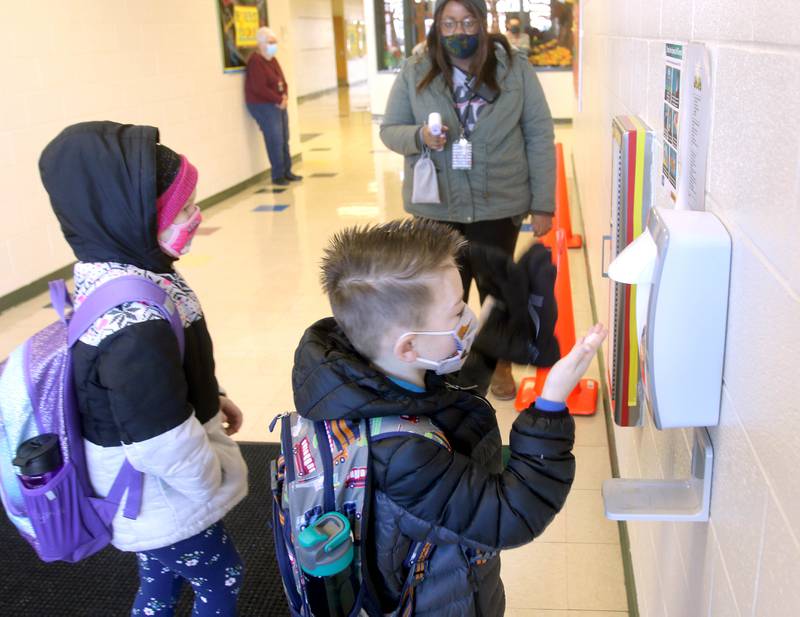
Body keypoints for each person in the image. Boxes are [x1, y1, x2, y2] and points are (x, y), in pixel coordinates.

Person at [293, 218, 607, 617]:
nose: (467, 318)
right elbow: (512, 513)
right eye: (458, 310)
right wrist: (551, 404)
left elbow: (440, 399)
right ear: (408, 346)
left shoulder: (369, 375)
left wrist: (493, 337)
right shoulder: (403, 456)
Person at [39, 122, 249, 617]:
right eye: (183, 208)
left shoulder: (122, 270)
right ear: (126, 215)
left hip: (142, 492)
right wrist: (208, 481)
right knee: (222, 576)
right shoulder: (134, 326)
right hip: (164, 495)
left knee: (160, 582)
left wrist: (209, 395)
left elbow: (166, 372)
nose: (195, 217)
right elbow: (159, 440)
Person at [380, 0, 556, 402]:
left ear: (483, 21)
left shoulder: (516, 69)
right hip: (437, 207)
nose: (459, 31)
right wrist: (418, 137)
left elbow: (539, 136)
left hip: (500, 202)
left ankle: (500, 360)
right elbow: (389, 130)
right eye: (449, 23)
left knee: (497, 288)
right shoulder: (416, 70)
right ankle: (447, 364)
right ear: (437, 27)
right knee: (443, 291)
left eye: (468, 21)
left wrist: (543, 204)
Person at [245, 26, 302, 186]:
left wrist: (285, 96)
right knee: (275, 140)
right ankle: (278, 175)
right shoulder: (256, 61)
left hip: (279, 103)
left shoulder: (273, 59)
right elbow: (259, 88)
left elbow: (282, 81)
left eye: (275, 42)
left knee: (284, 138)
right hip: (263, 105)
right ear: (261, 43)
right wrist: (278, 100)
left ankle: (287, 171)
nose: (274, 45)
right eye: (271, 42)